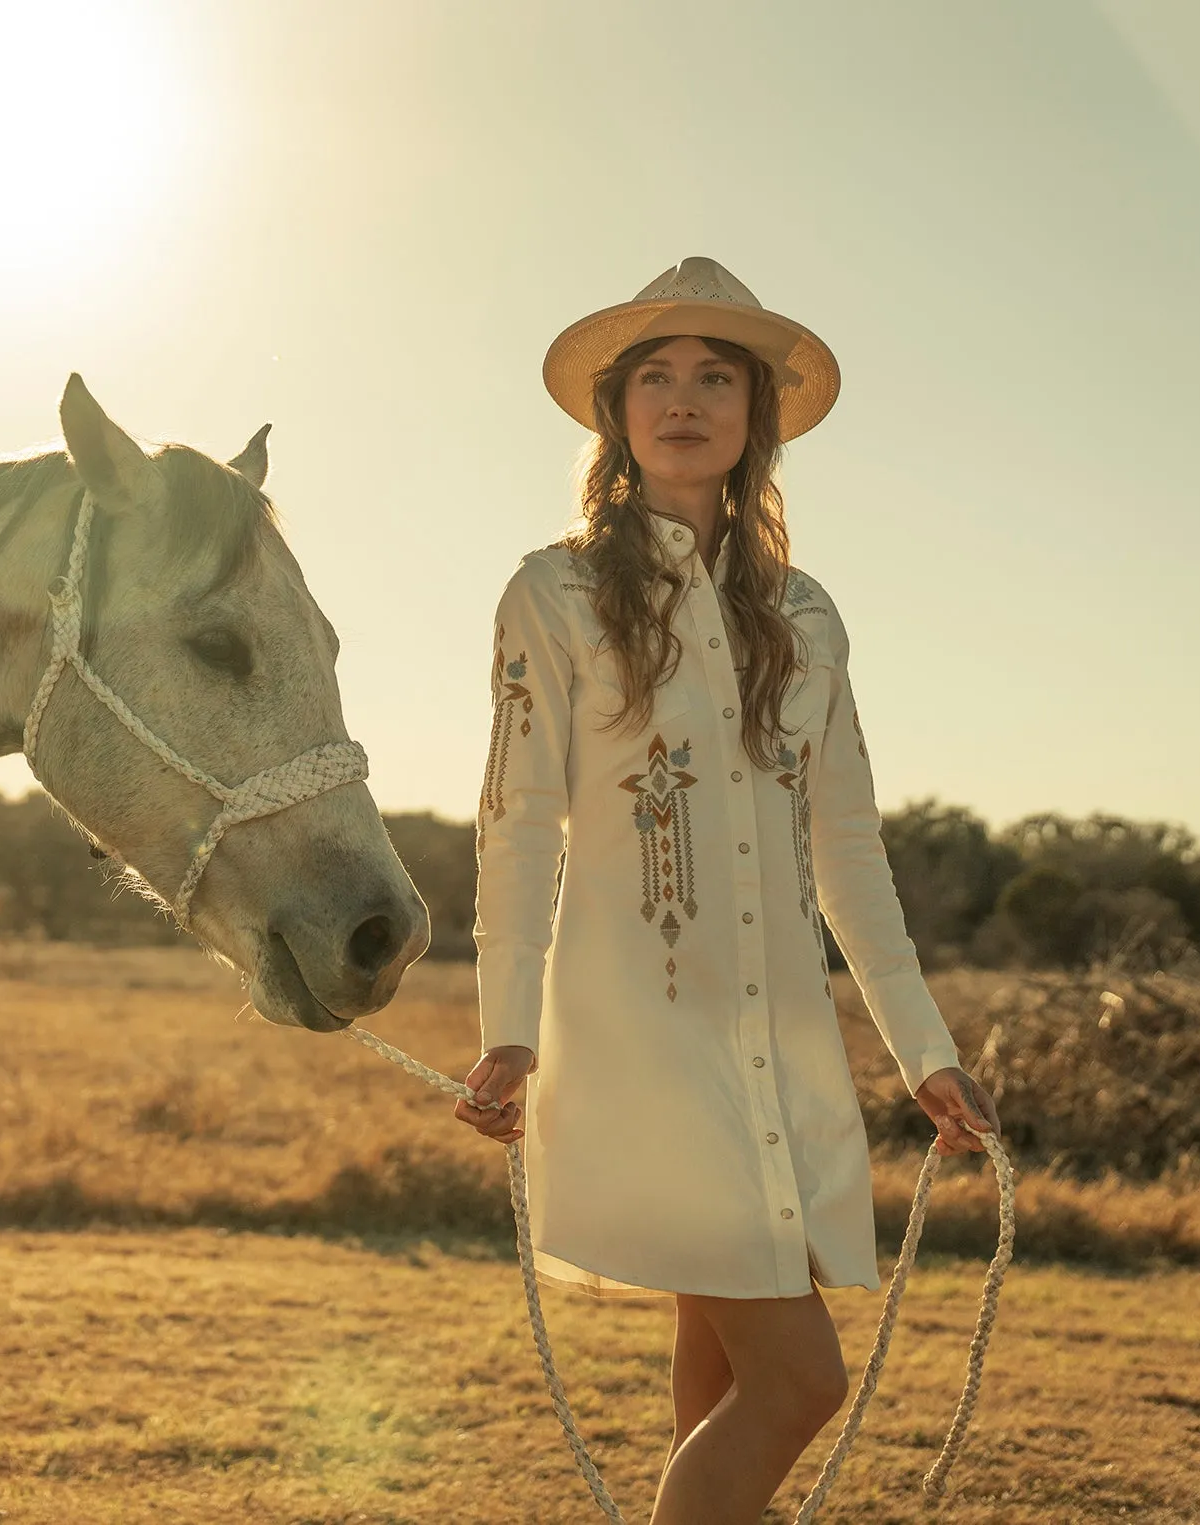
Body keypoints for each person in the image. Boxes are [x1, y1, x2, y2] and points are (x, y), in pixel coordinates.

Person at [454, 256, 1001, 1525]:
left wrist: (921, 1048)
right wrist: (508, 1028)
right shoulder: (555, 591)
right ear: (616, 410)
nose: (683, 399)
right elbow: (517, 822)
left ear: (756, 413)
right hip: (642, 1038)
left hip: (775, 1040)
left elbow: (847, 847)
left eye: (715, 377)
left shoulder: (805, 617)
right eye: (655, 375)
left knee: (720, 1386)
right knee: (799, 1382)